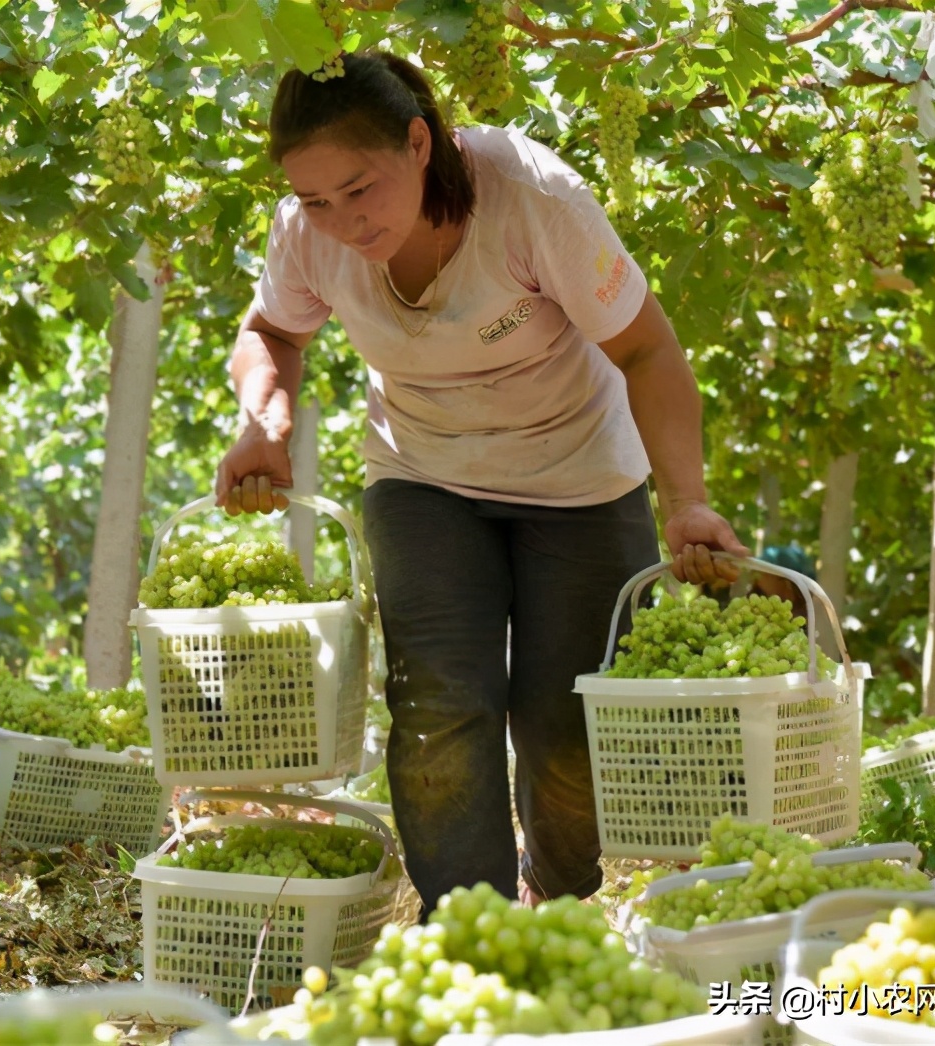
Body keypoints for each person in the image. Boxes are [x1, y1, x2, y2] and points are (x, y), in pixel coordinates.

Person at [211, 52, 749, 913]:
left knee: (563, 722)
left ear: (419, 143)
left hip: (580, 475)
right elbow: (272, 330)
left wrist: (684, 501)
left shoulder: (534, 198)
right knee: (441, 707)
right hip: (423, 472)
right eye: (315, 199)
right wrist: (265, 423)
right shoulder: (306, 232)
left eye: (360, 189)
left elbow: (647, 350)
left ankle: (560, 906)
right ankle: (469, 924)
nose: (341, 221)